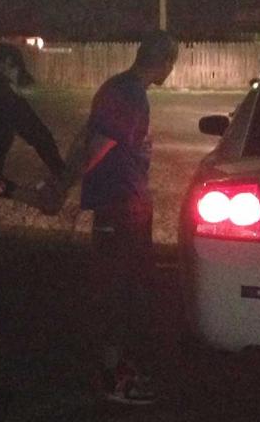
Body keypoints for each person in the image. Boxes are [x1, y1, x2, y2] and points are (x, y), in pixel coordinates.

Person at [53, 30, 179, 404]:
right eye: (172, 63)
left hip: (127, 204)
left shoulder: (122, 89)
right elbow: (96, 143)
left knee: (129, 291)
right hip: (120, 206)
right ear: (166, 62)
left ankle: (121, 369)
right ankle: (113, 379)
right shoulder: (128, 93)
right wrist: (63, 185)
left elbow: (87, 136)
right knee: (117, 293)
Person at [0, 43, 65, 358]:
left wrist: (19, 192)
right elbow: (40, 137)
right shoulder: (3, 98)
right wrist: (61, 175)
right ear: (6, 64)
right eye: (17, 72)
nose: (18, 80)